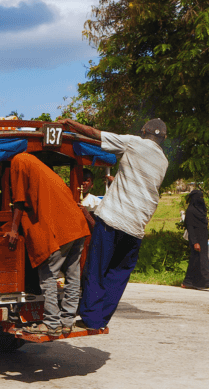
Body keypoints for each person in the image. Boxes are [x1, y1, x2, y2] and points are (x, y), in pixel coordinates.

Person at [59, 118, 170, 330]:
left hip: (112, 219)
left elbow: (94, 133)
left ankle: (90, 318)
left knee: (97, 268)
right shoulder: (163, 161)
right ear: (162, 139)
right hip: (136, 227)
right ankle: (100, 320)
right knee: (117, 276)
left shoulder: (134, 143)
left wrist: (71, 123)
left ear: (143, 131)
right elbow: (141, 182)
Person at [3, 153, 90, 336]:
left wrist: (13, 229)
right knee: (73, 275)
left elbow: (18, 201)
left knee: (48, 275)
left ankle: (52, 323)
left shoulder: (19, 161)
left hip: (61, 230)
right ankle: (67, 321)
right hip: (77, 225)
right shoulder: (39, 167)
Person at [182, 189, 209, 290]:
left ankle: (188, 282)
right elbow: (190, 228)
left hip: (203, 237)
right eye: (199, 197)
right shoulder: (190, 211)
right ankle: (206, 281)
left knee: (196, 260)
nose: (201, 199)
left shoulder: (201, 210)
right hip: (196, 239)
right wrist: (195, 242)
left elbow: (204, 225)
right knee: (202, 260)